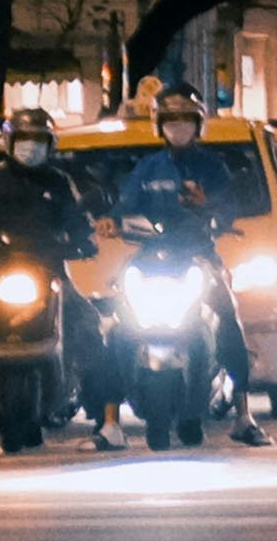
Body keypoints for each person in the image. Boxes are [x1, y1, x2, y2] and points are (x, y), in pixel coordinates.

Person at [100, 78, 267, 449]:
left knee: (228, 323)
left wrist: (207, 204)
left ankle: (243, 414)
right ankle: (110, 423)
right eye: (172, 120)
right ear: (160, 125)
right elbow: (125, 204)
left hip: (197, 257)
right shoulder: (147, 167)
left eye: (186, 119)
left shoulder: (212, 168)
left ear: (199, 124)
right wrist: (112, 219)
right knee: (116, 329)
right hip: (149, 260)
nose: (179, 127)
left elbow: (228, 208)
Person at [0, 106, 102, 424]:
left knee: (85, 317)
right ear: (9, 141)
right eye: (24, 139)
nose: (30, 146)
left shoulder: (59, 181)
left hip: (50, 269)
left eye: (38, 140)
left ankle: (95, 398)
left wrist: (83, 240)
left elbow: (80, 222)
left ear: (51, 145)